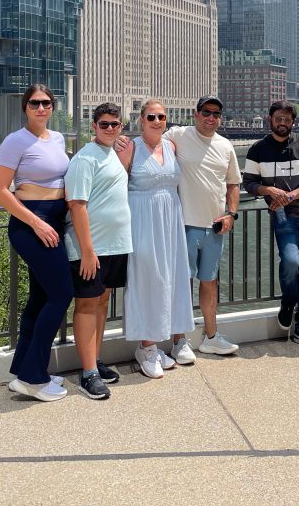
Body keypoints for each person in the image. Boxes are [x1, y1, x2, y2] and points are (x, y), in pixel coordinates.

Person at [0, 84, 72, 402]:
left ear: (53, 107)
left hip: (54, 221)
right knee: (62, 293)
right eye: (35, 103)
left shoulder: (58, 138)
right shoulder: (15, 141)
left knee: (40, 298)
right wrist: (36, 222)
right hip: (31, 223)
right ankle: (33, 378)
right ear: (25, 107)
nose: (41, 108)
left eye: (47, 103)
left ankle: (25, 370)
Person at [159, 95, 243, 357]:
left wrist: (231, 214)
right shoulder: (179, 134)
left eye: (216, 114)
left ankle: (211, 335)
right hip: (185, 224)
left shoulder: (225, 145)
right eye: (206, 112)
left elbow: (233, 185)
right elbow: (152, 139)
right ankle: (179, 341)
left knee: (209, 282)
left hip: (215, 226)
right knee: (182, 284)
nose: (211, 118)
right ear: (196, 114)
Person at [117, 100, 195, 377]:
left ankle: (171, 340)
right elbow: (115, 182)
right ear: (141, 119)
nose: (157, 120)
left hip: (171, 221)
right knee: (146, 278)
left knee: (173, 276)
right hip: (142, 221)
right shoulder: (130, 148)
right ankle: (146, 346)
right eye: (152, 116)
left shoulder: (171, 146)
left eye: (162, 116)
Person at [243, 101, 299, 351]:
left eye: (287, 119)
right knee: (291, 262)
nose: (283, 123)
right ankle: (288, 301)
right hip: (283, 217)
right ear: (270, 119)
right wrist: (268, 189)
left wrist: (291, 195)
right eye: (278, 118)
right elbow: (249, 182)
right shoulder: (258, 149)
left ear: (293, 122)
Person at [64, 102, 134, 399]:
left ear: (121, 127)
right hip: (91, 248)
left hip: (116, 244)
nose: (109, 129)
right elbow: (77, 205)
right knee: (87, 305)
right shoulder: (84, 159)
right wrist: (87, 251)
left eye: (114, 124)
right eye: (103, 124)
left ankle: (95, 359)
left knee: (103, 302)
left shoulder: (113, 155)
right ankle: (88, 372)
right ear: (94, 126)